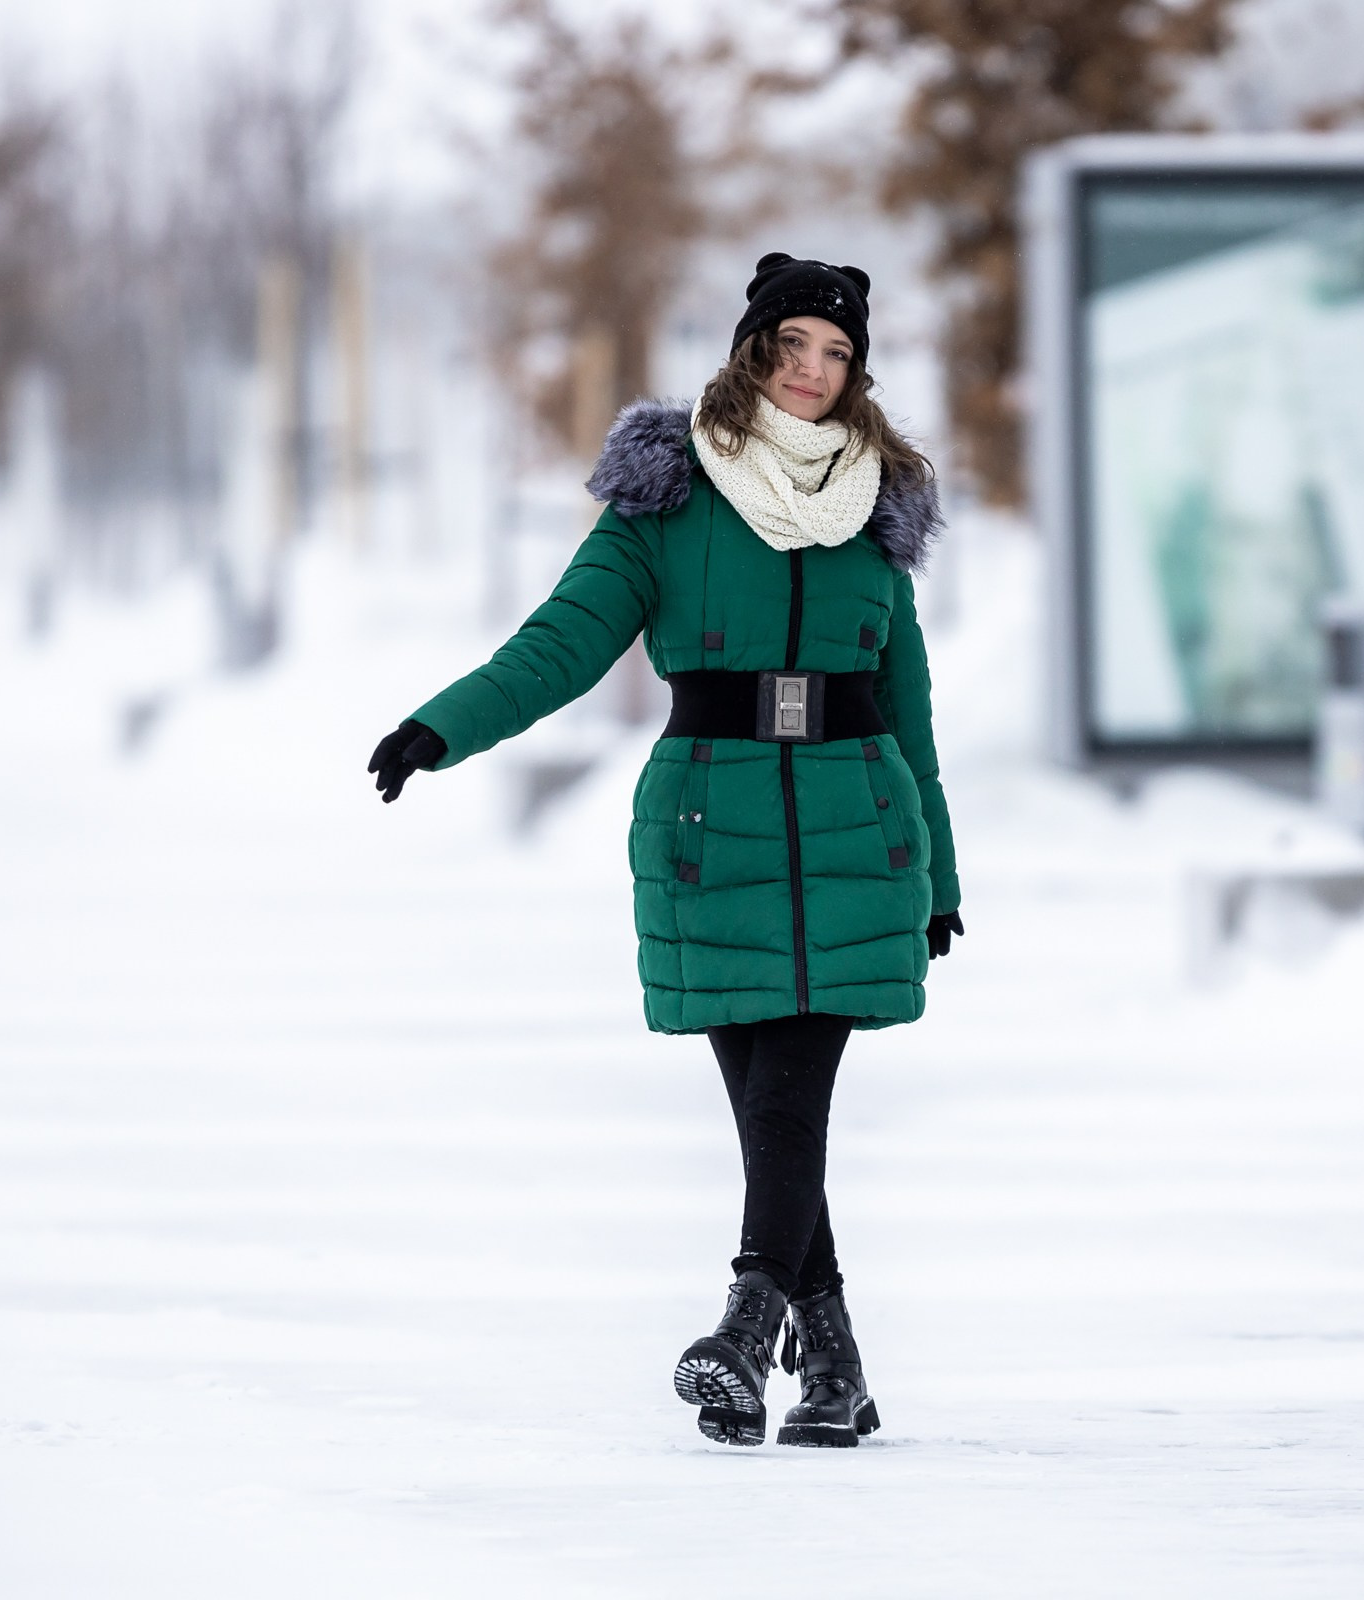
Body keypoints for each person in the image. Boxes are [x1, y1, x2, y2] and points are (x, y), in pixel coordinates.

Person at [366, 253, 962, 1448]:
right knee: (768, 1108)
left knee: (795, 1087)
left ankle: (745, 1329)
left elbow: (910, 704)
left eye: (837, 354)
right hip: (711, 824)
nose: (813, 372)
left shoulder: (878, 502)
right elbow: (565, 640)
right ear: (752, 350)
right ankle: (833, 1367)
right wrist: (443, 727)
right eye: (794, 346)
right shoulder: (670, 493)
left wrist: (938, 872)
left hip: (856, 820)